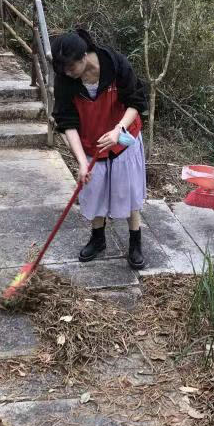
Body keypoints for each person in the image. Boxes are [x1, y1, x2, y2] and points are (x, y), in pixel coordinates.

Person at [51, 28, 148, 269]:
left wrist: (118, 130)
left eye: (71, 67)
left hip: (123, 137)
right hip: (92, 141)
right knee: (94, 189)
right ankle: (98, 238)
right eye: (63, 69)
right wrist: (82, 161)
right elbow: (66, 121)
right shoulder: (65, 78)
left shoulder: (115, 64)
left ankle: (135, 240)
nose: (67, 72)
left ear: (84, 56)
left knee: (128, 191)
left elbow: (136, 101)